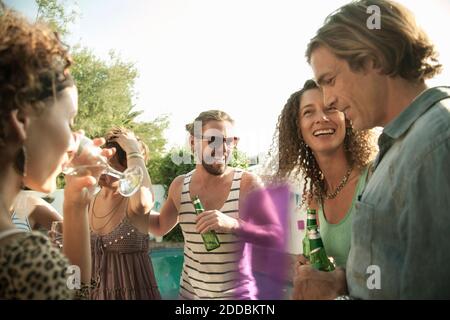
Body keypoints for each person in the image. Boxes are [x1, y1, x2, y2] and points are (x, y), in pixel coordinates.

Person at [295, 0, 450, 299]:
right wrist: (345, 282)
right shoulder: (398, 147)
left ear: (372, 59)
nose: (328, 101)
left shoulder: (436, 146)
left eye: (329, 80)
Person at [0, 8, 111, 299]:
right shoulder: (23, 262)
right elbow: (77, 293)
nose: (76, 140)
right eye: (69, 120)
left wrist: (74, 203)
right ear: (20, 121)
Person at [148, 110, 283, 299]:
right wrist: (130, 203)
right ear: (193, 142)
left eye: (229, 141)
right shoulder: (180, 185)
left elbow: (275, 236)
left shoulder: (247, 184)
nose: (223, 148)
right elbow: (159, 226)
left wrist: (233, 224)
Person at [275, 79, 376, 269]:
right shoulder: (315, 197)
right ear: (299, 129)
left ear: (346, 118)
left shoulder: (373, 178)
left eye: (330, 108)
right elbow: (322, 260)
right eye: (308, 112)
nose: (321, 118)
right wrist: (307, 263)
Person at [88, 127, 161, 300]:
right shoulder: (89, 200)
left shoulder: (134, 203)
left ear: (130, 173)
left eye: (111, 168)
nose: (103, 170)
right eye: (103, 163)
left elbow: (144, 200)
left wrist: (133, 150)